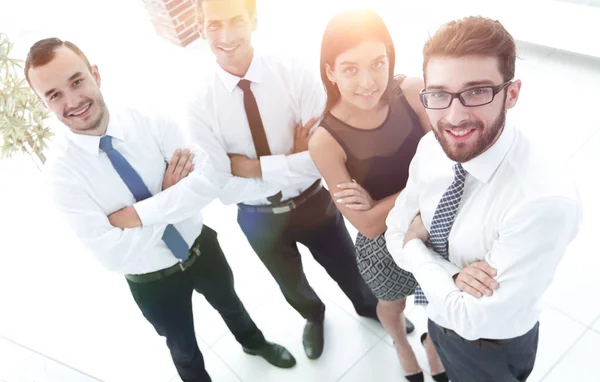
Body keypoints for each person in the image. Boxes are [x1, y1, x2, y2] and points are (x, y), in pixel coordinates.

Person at [25, 37, 296, 382]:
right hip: (152, 282)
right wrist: (170, 197)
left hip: (201, 247)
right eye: (54, 94)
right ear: (42, 102)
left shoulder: (148, 118)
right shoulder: (60, 176)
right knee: (182, 347)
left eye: (76, 81)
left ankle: (255, 344)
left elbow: (208, 178)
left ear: (95, 74)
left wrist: (136, 216)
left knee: (231, 304)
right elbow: (111, 254)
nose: (73, 100)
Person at [186, 0, 407, 360]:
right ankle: (314, 317)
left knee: (348, 265)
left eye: (236, 21)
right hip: (257, 216)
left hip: (313, 200)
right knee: (291, 284)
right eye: (214, 25)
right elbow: (222, 188)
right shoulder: (199, 103)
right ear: (200, 27)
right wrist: (293, 155)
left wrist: (250, 166)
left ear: (253, 19)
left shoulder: (293, 72)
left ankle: (372, 307)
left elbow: (325, 158)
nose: (226, 36)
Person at [385, 16, 581, 382]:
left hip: (491, 346)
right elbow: (393, 231)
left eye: (476, 92)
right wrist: (453, 276)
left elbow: (472, 318)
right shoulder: (432, 147)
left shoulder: (542, 201)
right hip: (437, 314)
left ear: (512, 93)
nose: (454, 117)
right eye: (439, 94)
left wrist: (416, 247)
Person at [309, 9, 447, 382]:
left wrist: (383, 202)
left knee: (440, 292)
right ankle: (402, 343)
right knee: (393, 301)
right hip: (384, 246)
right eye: (350, 68)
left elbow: (452, 162)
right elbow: (368, 226)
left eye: (377, 63)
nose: (367, 81)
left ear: (390, 57)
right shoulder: (324, 140)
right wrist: (424, 182)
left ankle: (433, 341)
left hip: (441, 220)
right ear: (330, 72)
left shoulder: (410, 91)